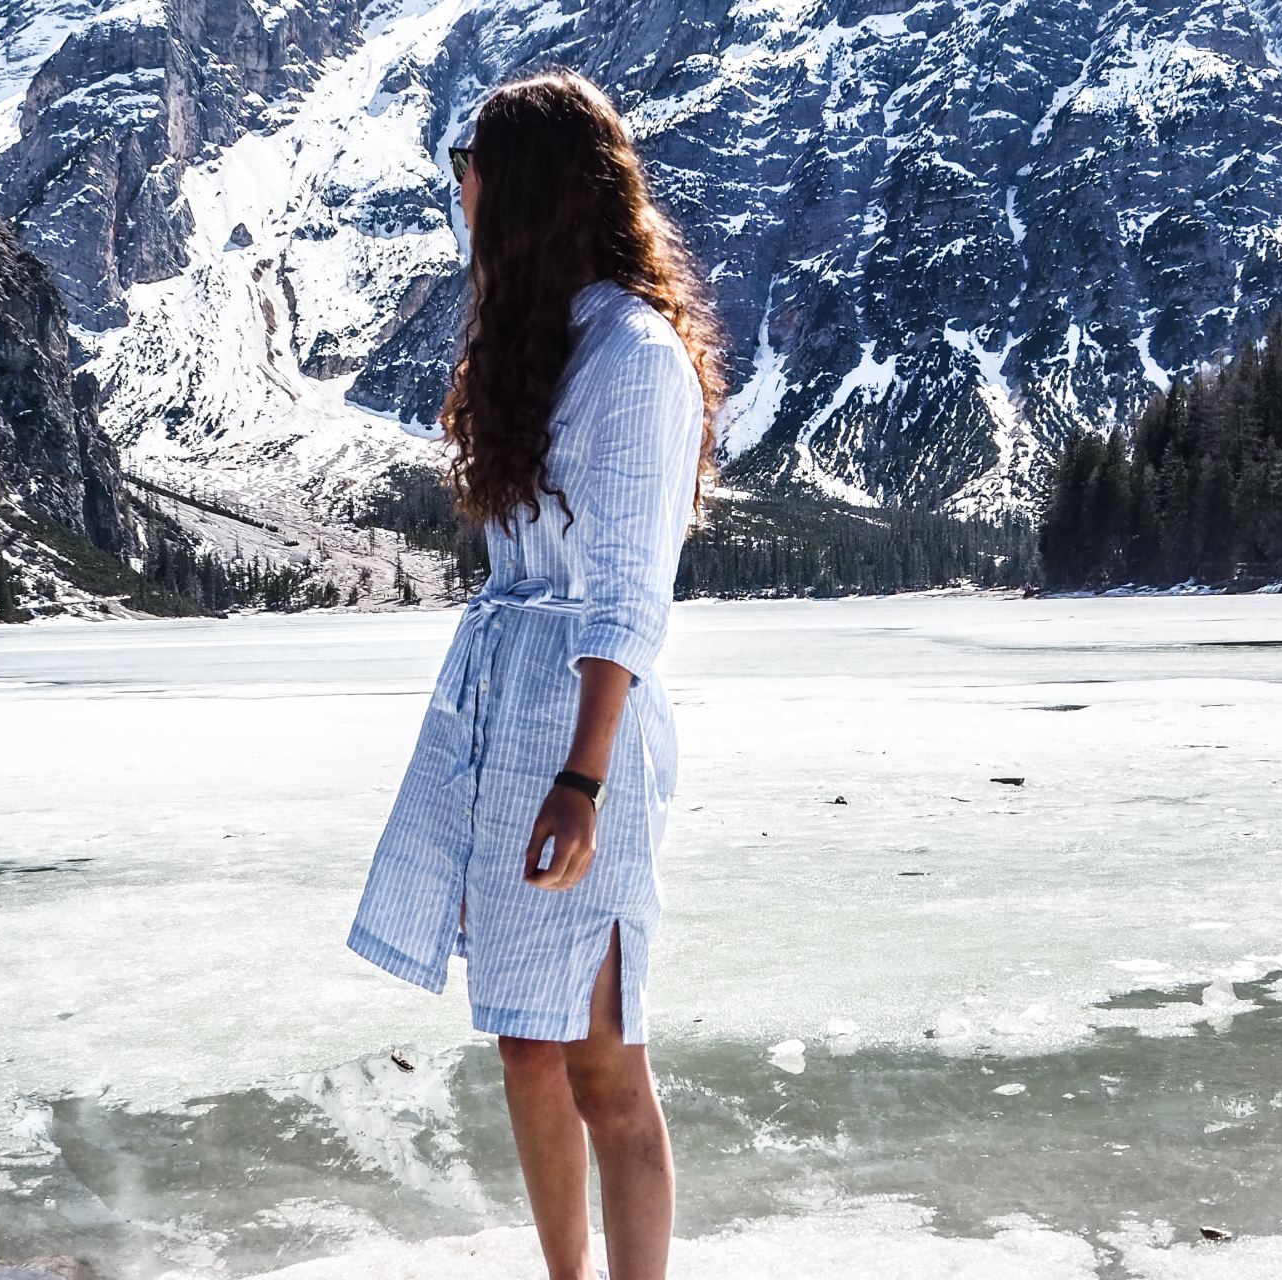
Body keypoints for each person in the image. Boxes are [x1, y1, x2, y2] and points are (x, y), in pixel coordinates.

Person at [344, 65, 727, 1280]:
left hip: (583, 727)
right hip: (506, 717)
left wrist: (584, 777)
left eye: (477, 169)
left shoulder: (631, 353)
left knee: (605, 1057)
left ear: (531, 192)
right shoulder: (532, 340)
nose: (459, 189)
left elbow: (625, 595)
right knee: (523, 1038)